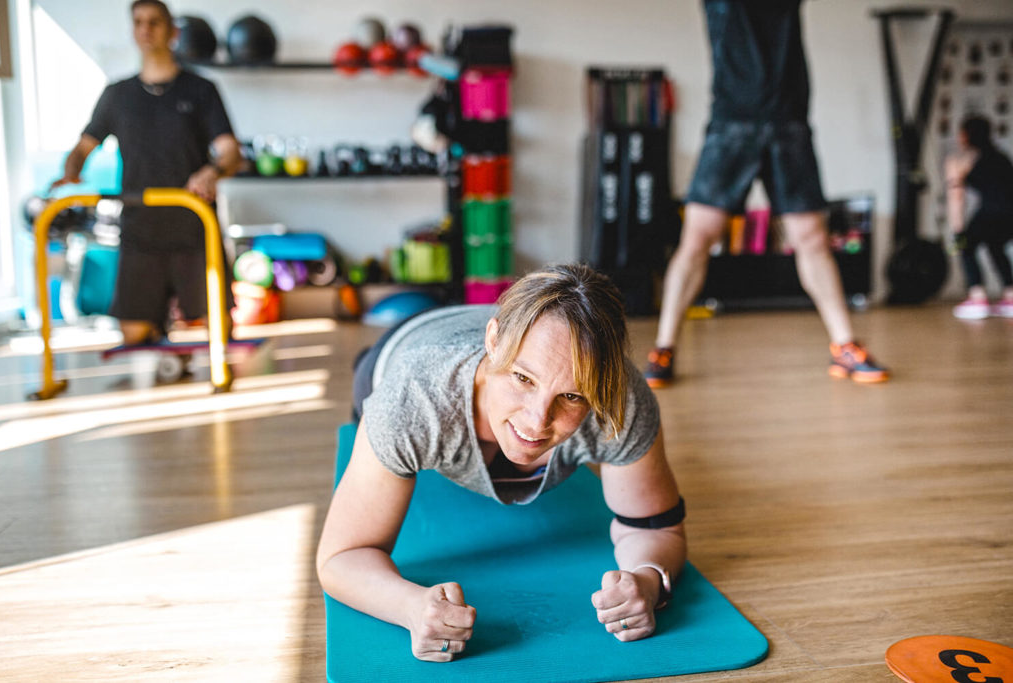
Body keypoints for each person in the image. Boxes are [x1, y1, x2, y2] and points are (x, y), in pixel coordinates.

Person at [317, 263, 686, 662]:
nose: (537, 421)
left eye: (572, 397)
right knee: (369, 399)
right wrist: (409, 606)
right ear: (493, 341)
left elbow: (655, 527)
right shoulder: (411, 399)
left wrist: (648, 581)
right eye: (523, 379)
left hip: (490, 327)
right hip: (410, 342)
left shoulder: (620, 400)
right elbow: (341, 557)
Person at [644, 0, 889, 387]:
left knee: (812, 239)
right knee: (696, 239)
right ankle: (663, 348)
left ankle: (844, 346)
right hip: (731, 126)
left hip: (789, 125)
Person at [51, 0, 241, 346]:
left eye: (154, 22)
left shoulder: (201, 90)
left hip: (193, 225)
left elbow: (230, 151)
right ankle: (163, 329)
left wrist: (212, 172)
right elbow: (83, 147)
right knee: (134, 335)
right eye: (138, 22)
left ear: (172, 32)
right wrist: (71, 172)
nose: (146, 29)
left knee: (219, 331)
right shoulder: (117, 95)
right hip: (141, 229)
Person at [945, 114, 1013, 320]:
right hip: (1009, 214)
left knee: (966, 246)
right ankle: (1010, 297)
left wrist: (958, 231)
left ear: (966, 135)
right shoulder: (1001, 157)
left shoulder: (962, 160)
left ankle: (977, 298)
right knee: (996, 247)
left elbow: (957, 198)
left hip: (991, 212)